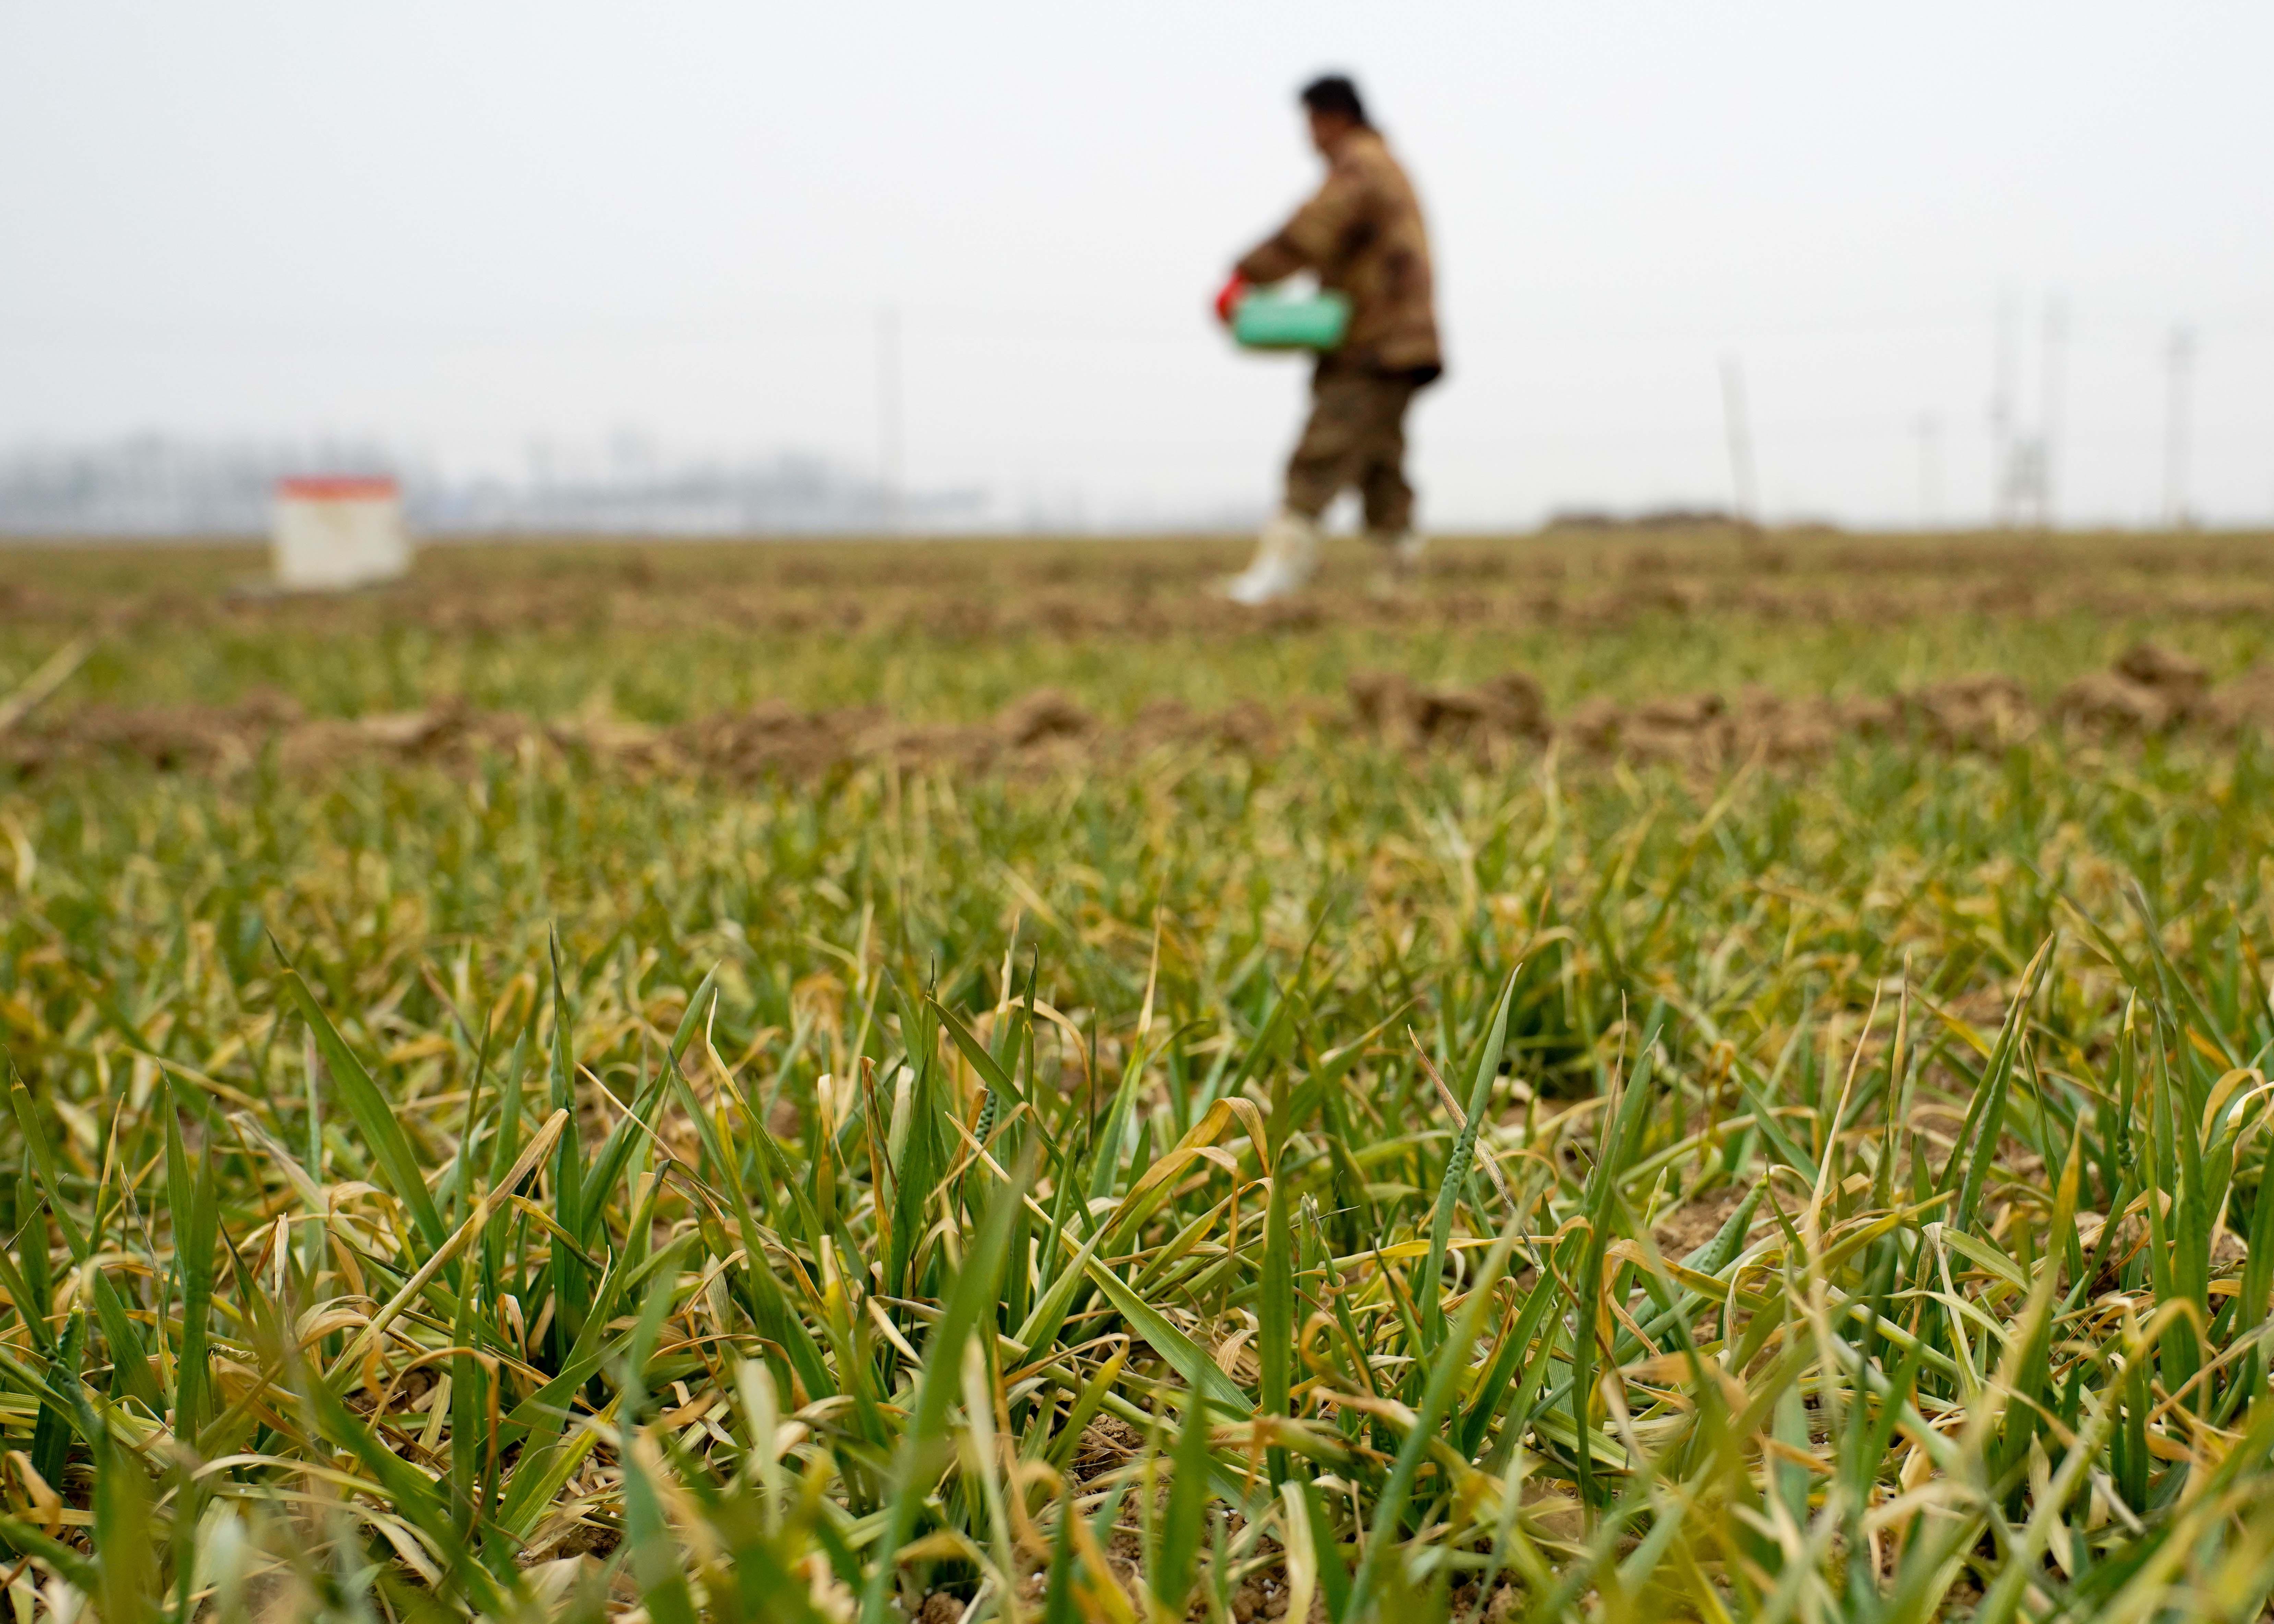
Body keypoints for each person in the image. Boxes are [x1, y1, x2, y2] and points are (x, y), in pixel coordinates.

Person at [1216, 74, 1443, 604]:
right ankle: (1400, 575)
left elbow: (1313, 229)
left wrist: (1245, 276)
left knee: (1324, 447)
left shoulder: (1361, 166)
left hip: (1376, 341)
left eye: (1311, 123)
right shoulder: (1386, 164)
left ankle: (1277, 576)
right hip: (1403, 339)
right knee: (1381, 459)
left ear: (1333, 117)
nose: (1309, 137)